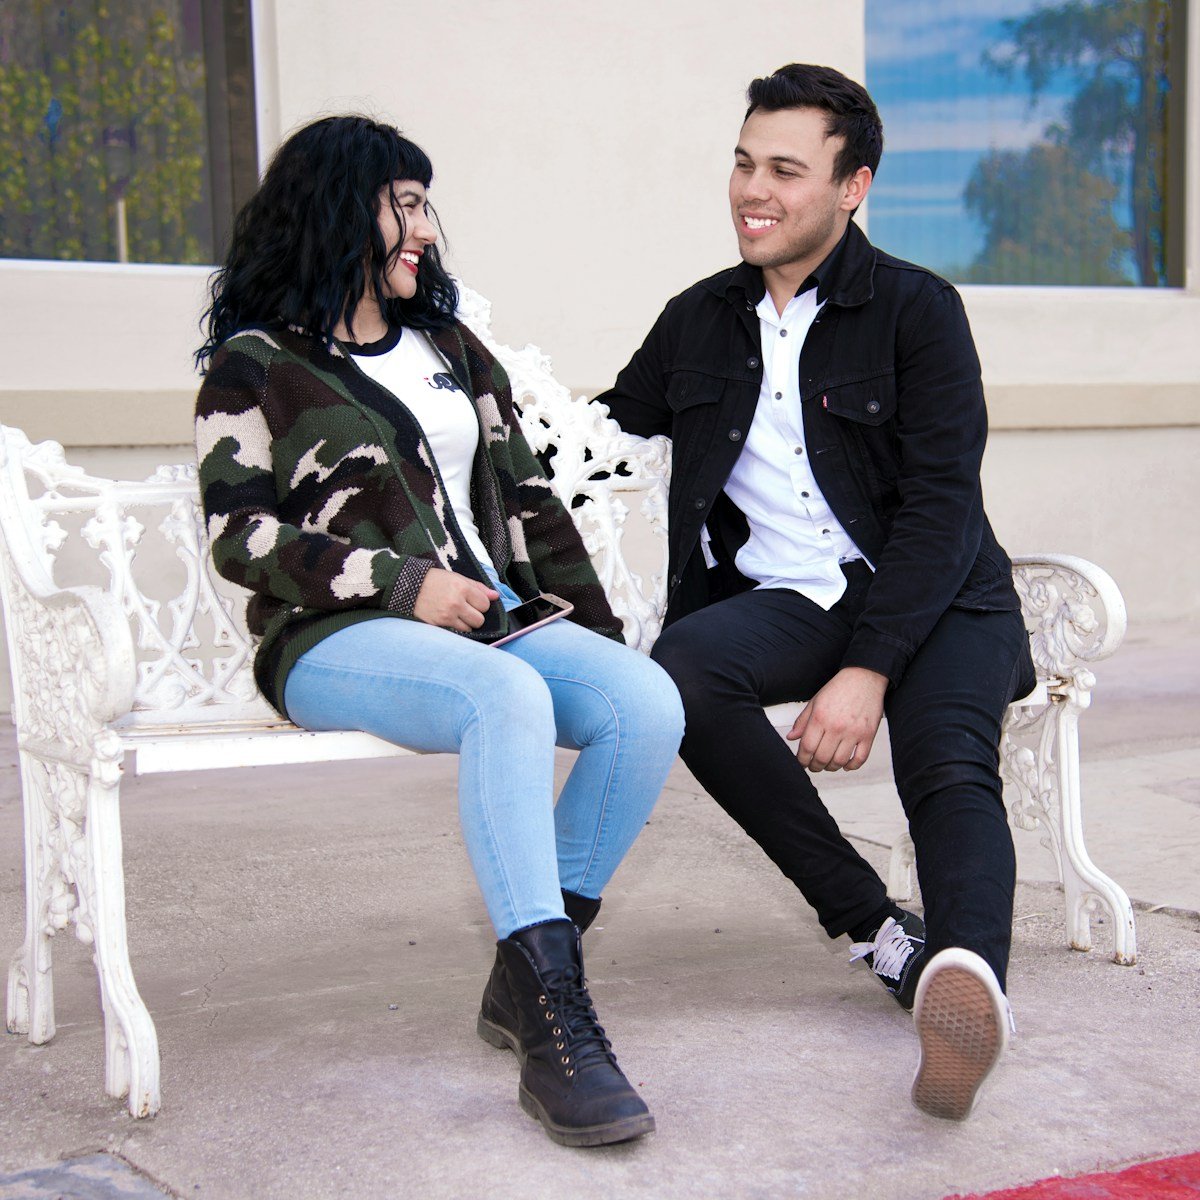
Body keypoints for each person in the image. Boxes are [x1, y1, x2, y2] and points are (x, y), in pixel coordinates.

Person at [193, 115, 683, 1147]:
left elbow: (530, 500)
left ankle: (525, 974)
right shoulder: (256, 366)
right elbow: (238, 535)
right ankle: (556, 1023)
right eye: (403, 202)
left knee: (644, 703)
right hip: (332, 641)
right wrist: (401, 582)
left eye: (424, 203)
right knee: (504, 695)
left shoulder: (449, 349)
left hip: (488, 623)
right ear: (338, 210)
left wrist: (591, 635)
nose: (424, 227)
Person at [594, 64, 1036, 1121]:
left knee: (945, 764)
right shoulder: (697, 320)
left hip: (942, 594)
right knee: (683, 675)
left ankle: (962, 983)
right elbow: (599, 438)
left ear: (854, 186)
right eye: (745, 163)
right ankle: (878, 932)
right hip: (797, 597)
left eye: (786, 169)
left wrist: (867, 672)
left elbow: (940, 507)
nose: (754, 189)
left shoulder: (919, 312)